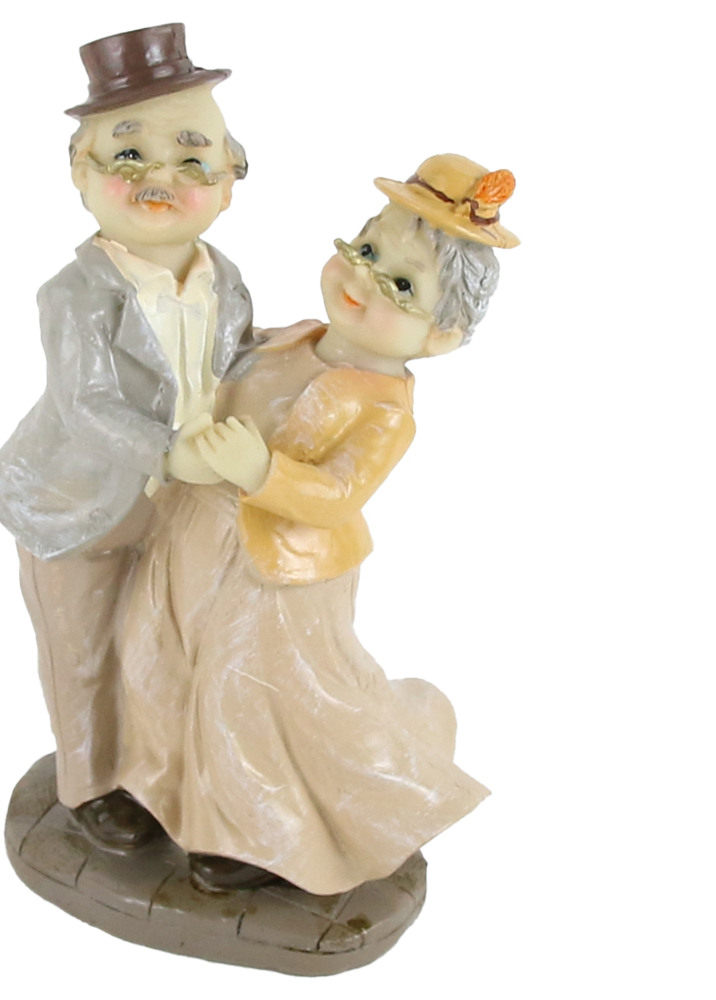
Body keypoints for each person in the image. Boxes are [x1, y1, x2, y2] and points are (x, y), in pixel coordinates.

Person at [112, 154, 519, 894]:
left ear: (442, 337)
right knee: (154, 648)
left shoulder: (384, 410)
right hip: (194, 529)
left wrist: (262, 472)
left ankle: (250, 833)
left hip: (278, 575)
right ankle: (156, 785)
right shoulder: (291, 336)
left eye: (402, 285)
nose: (365, 277)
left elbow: (336, 495)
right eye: (365, 249)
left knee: (245, 692)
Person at [0, 24, 253, 848]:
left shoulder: (227, 280)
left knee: (162, 648)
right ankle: (90, 784)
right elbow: (86, 403)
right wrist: (171, 453)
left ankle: (157, 771)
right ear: (81, 171)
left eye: (191, 155)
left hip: (182, 508)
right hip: (79, 505)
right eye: (128, 155)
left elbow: (239, 365)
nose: (159, 176)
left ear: (233, 174)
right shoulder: (75, 295)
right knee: (85, 651)